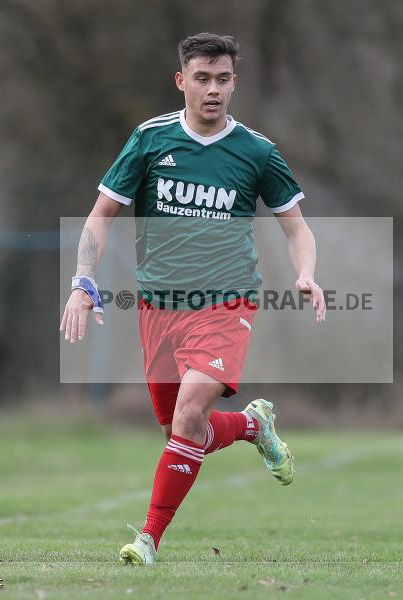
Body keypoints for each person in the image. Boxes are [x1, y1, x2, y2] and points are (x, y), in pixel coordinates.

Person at [59, 32, 325, 564]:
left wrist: (307, 274)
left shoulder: (256, 151)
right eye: (201, 78)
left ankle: (148, 538)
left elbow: (297, 229)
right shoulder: (150, 140)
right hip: (159, 309)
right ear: (181, 81)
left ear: (234, 83)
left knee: (187, 418)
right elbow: (100, 215)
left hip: (225, 302)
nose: (213, 90)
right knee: (184, 431)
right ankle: (253, 424)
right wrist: (83, 282)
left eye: (222, 79)